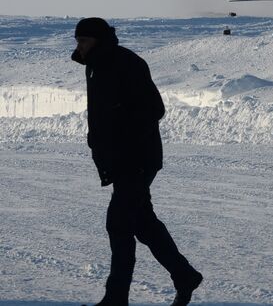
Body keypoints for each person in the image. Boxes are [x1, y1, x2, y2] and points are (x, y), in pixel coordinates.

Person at [71, 18, 202, 306]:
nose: (78, 47)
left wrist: (122, 134)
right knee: (143, 224)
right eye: (77, 41)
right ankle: (185, 275)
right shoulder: (96, 65)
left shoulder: (126, 63)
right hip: (120, 160)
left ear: (98, 40)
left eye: (83, 41)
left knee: (118, 225)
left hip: (136, 158)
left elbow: (154, 108)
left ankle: (116, 300)